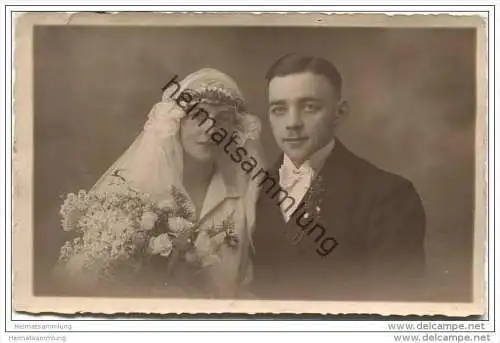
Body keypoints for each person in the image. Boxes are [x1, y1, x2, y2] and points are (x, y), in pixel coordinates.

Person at [54, 68, 264, 298]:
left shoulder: (248, 196)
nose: (210, 128)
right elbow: (79, 280)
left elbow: (255, 284)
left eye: (223, 118)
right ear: (176, 122)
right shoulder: (133, 189)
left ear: (236, 130)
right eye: (197, 116)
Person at [249, 54, 426, 301]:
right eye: (279, 109)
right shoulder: (252, 190)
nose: (292, 123)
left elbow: (395, 304)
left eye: (309, 107)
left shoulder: (388, 195)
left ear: (339, 113)